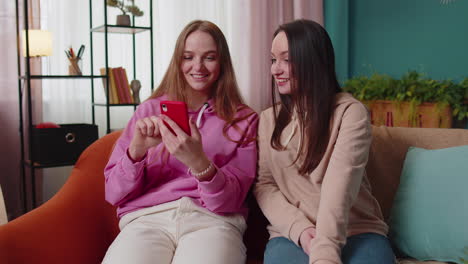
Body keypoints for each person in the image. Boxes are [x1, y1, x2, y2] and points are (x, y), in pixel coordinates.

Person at [102, 20, 258, 264]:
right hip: (148, 218)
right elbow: (113, 193)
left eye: (209, 57)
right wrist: (137, 152)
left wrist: (199, 163)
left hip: (213, 220)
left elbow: (229, 201)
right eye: (188, 57)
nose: (198, 66)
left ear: (223, 63)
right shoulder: (149, 110)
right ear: (178, 61)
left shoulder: (245, 119)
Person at [253, 19, 395, 264]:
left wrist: (324, 254)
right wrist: (300, 231)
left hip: (358, 230)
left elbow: (339, 186)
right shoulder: (267, 120)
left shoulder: (350, 113)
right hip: (292, 234)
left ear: (314, 62)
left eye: (287, 59)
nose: (276, 69)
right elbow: (264, 186)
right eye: (273, 60)